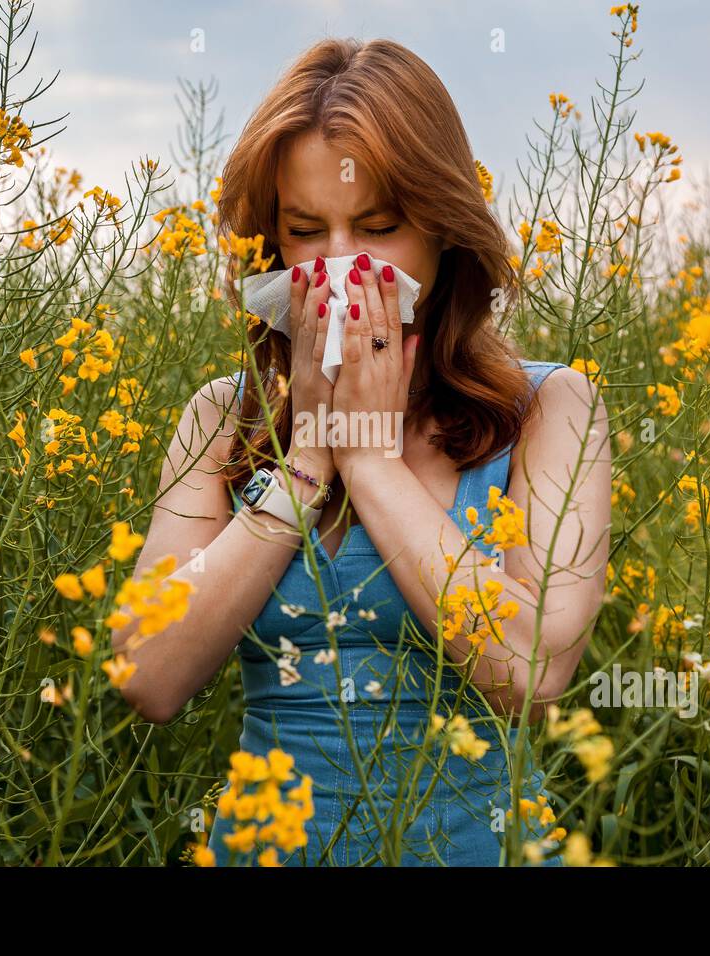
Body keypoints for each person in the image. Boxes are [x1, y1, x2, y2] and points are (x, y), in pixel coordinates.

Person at [112, 37, 611, 866]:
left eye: (378, 227)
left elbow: (529, 672)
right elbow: (147, 676)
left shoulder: (549, 407)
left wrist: (372, 462)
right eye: (309, 231)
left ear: (444, 234)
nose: (341, 270)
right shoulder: (221, 420)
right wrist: (306, 460)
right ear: (269, 247)